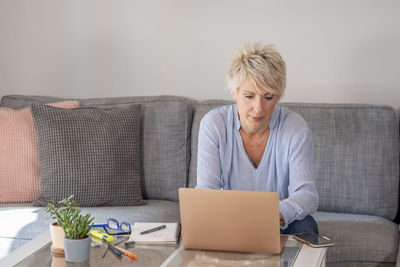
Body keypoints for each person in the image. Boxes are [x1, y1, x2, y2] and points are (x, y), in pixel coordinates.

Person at [196, 43, 319, 235]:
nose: (258, 108)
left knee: (305, 225)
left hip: (277, 222)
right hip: (231, 222)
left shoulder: (295, 128)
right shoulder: (214, 124)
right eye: (249, 96)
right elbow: (205, 192)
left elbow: (307, 195)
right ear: (234, 92)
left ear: (278, 97)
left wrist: (269, 216)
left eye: (268, 97)